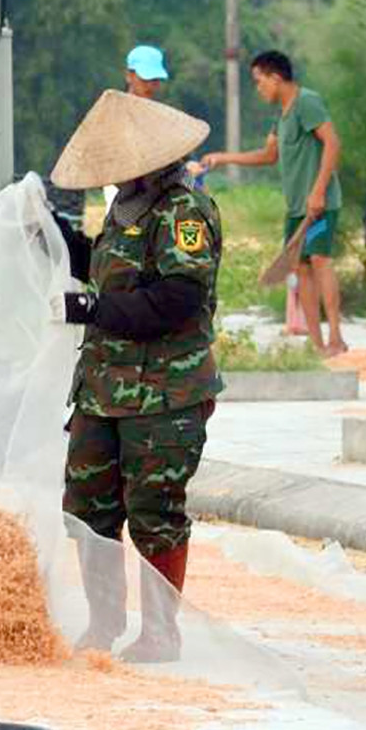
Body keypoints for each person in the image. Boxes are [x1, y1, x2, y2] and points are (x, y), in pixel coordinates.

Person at [50, 90, 222, 663]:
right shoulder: (125, 207)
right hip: (102, 390)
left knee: (155, 510)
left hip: (165, 393)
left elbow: (177, 297)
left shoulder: (182, 212)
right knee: (87, 506)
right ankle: (103, 626)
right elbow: (111, 271)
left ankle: (159, 632)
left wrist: (95, 309)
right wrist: (54, 237)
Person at [196, 51, 345, 356]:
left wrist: (317, 191)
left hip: (320, 204)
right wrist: (224, 158)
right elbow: (268, 155)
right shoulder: (282, 115)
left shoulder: (307, 102)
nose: (259, 88)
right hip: (296, 208)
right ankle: (317, 346)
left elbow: (332, 142)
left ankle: (337, 339)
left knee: (319, 261)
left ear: (276, 77)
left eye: (259, 81)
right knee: (301, 269)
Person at [104, 45, 170, 209]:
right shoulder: (114, 112)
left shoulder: (161, 117)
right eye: (145, 79)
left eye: (155, 80)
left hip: (155, 193)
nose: (150, 86)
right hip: (121, 191)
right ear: (129, 76)